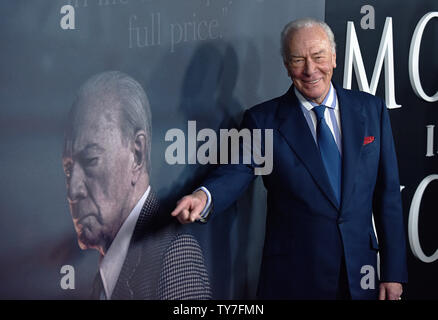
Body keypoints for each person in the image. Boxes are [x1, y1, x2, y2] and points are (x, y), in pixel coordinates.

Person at [171, 18, 408, 300]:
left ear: (333, 57)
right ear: (286, 65)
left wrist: (393, 273)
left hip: (361, 276)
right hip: (295, 280)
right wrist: (204, 196)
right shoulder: (263, 121)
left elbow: (388, 195)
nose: (310, 70)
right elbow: (238, 169)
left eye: (318, 57)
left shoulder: (371, 109)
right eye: (298, 60)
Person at [62, 71, 211, 300]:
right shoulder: (106, 273)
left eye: (91, 160)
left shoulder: (174, 255)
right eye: (69, 169)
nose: (73, 190)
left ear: (137, 154)